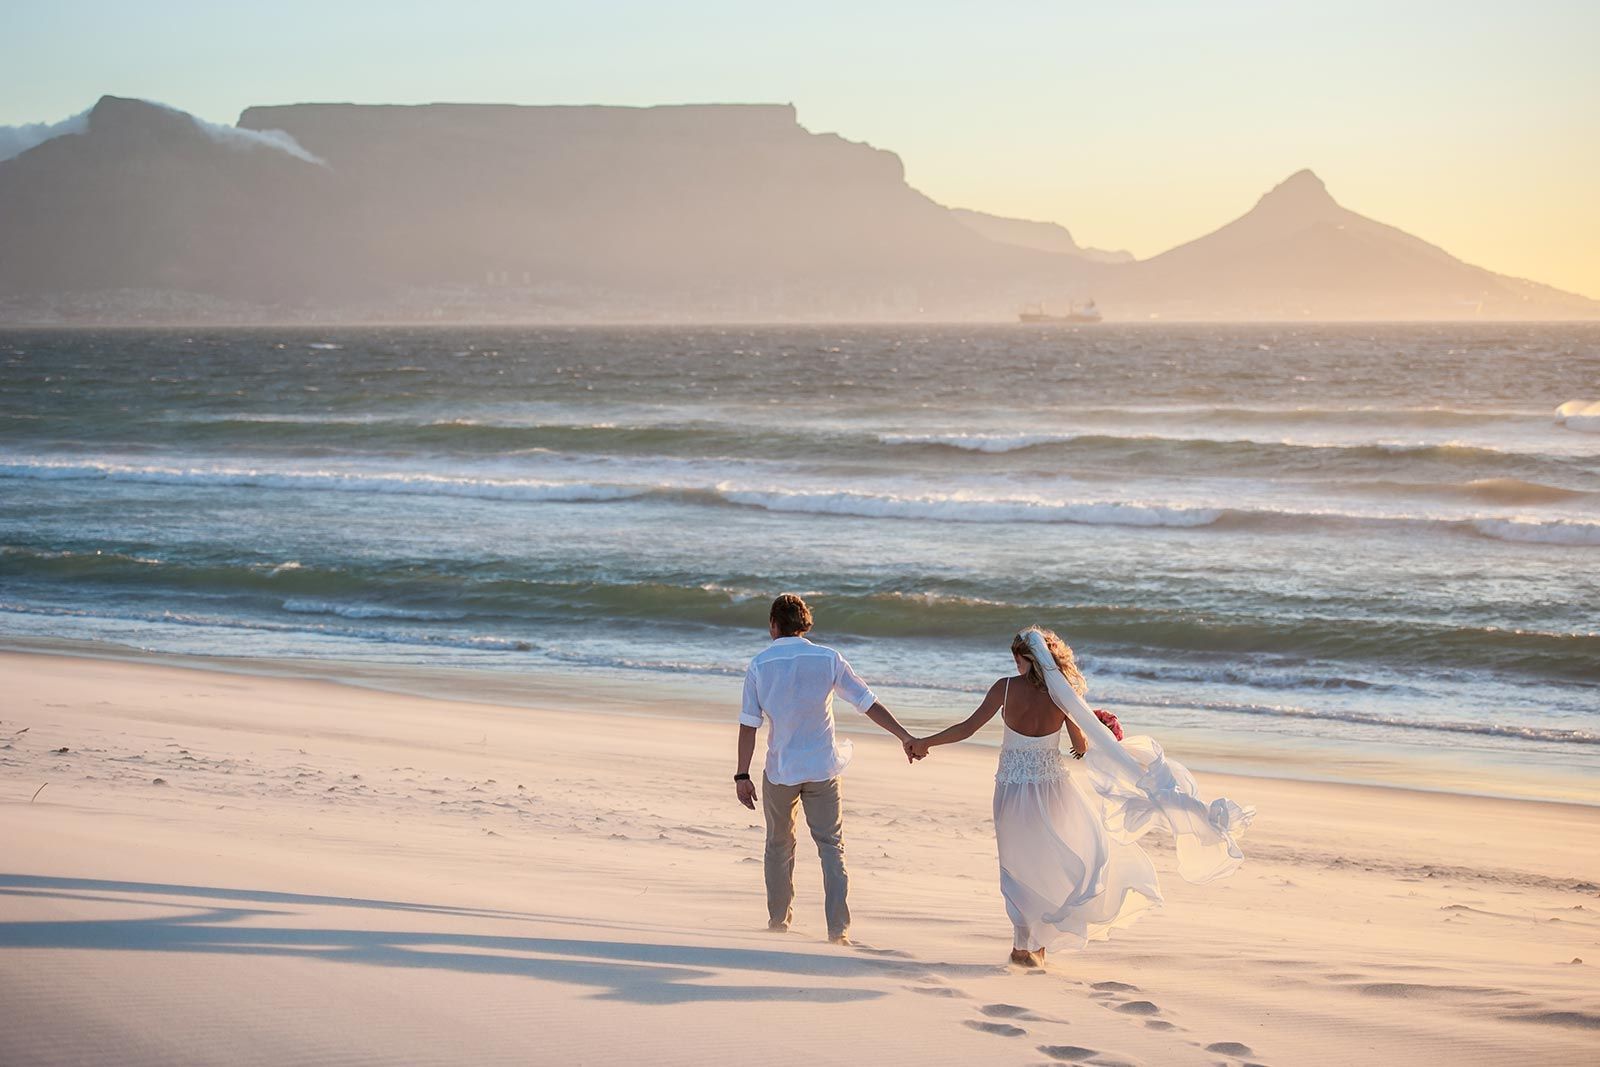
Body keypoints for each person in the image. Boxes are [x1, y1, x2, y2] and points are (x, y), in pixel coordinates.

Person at [910, 625, 1252, 967]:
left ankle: (1022, 945)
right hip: (1052, 788)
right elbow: (1080, 747)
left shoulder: (1005, 688)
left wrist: (925, 742)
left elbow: (967, 728)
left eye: (1016, 659)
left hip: (1012, 789)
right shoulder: (1064, 695)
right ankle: (1037, 947)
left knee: (1016, 864)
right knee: (1053, 860)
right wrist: (1091, 721)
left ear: (1024, 658)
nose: (1015, 666)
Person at [734, 593, 919, 945]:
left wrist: (742, 774)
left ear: (773, 625)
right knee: (831, 847)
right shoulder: (828, 658)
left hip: (781, 770)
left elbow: (748, 724)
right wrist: (904, 736)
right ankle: (838, 930)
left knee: (778, 845)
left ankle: (778, 922)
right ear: (805, 624)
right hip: (822, 768)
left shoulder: (760, 664)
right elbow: (867, 703)